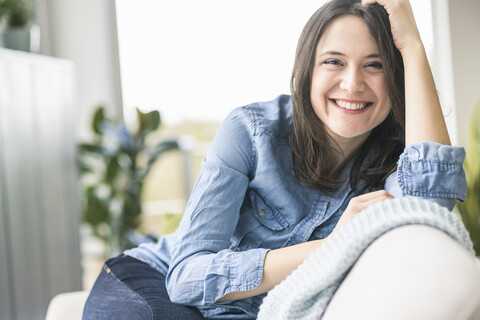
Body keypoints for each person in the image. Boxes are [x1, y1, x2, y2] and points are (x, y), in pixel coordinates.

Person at [83, 0, 469, 319]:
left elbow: (427, 211)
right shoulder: (252, 131)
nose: (353, 84)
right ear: (307, 70)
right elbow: (185, 278)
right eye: (334, 62)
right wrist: (334, 245)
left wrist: (414, 48)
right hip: (152, 281)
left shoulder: (396, 159)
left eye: (376, 64)